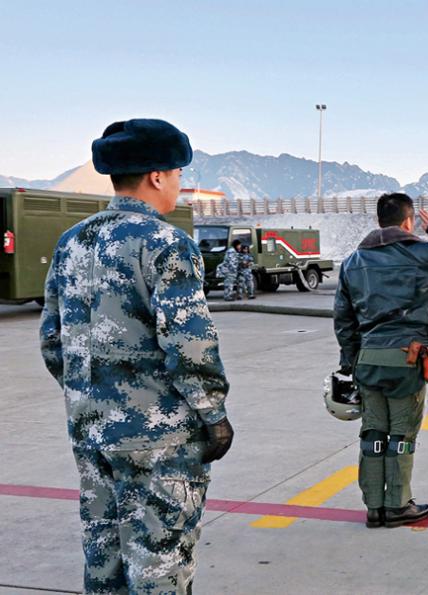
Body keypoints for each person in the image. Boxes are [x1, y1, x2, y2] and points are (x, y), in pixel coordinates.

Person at [39, 119, 233, 594]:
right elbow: (189, 345)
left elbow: (51, 341)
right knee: (160, 563)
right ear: (157, 176)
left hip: (90, 432)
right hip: (158, 438)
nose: (180, 185)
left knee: (104, 559)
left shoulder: (72, 242)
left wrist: (92, 398)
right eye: (178, 174)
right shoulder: (166, 244)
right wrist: (214, 415)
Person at [334, 193, 428, 529]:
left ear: (379, 222)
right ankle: (397, 504)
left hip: (368, 358)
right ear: (409, 221)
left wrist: (349, 363)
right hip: (407, 358)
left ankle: (374, 506)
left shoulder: (354, 261)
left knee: (372, 433)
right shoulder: (423, 254)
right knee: (401, 433)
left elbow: (343, 319)